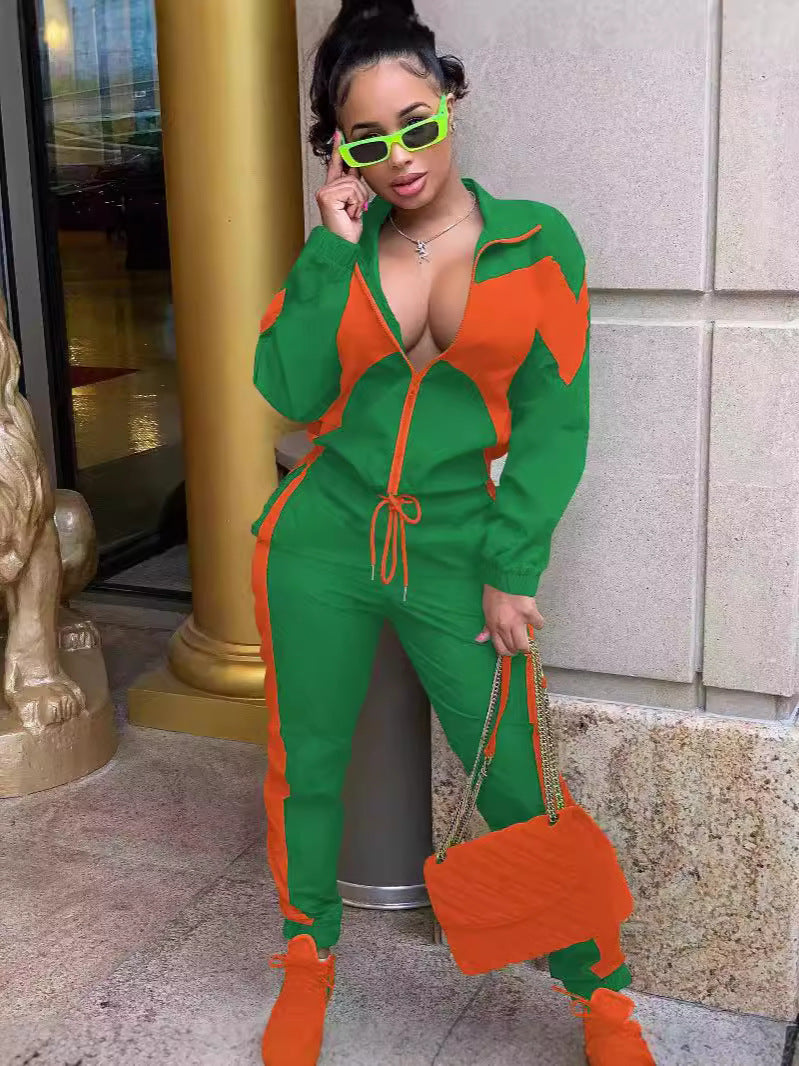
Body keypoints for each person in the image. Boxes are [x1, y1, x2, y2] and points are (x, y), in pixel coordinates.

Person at [251, 2, 655, 1064]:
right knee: (309, 762)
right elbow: (286, 387)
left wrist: (511, 564)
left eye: (416, 123)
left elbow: (558, 419)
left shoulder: (534, 240)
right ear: (341, 152)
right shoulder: (343, 251)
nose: (399, 157)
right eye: (367, 141)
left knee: (514, 775)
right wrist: (328, 247)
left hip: (462, 545)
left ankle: (602, 998)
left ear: (450, 100)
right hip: (321, 538)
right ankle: (307, 958)